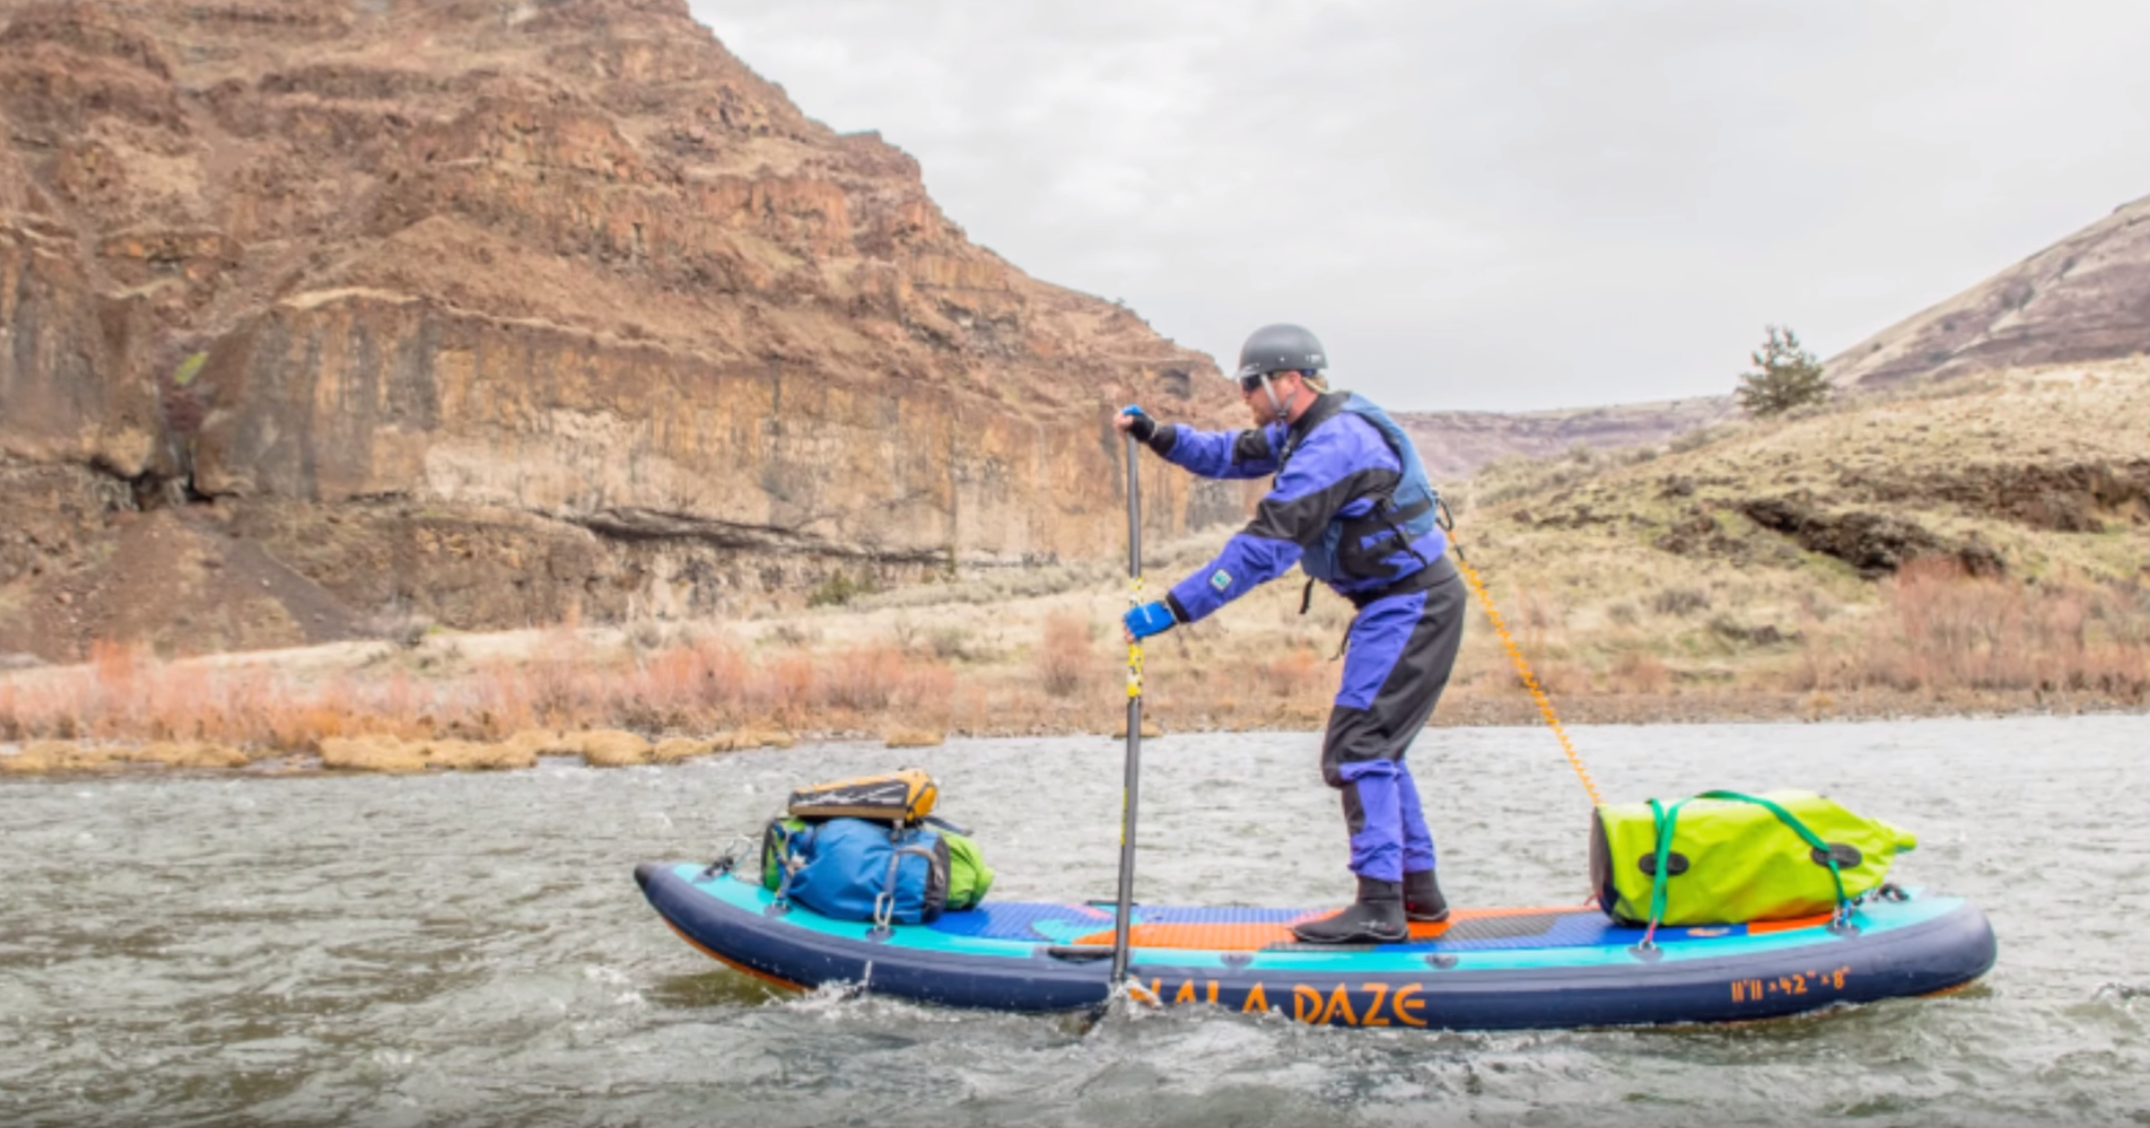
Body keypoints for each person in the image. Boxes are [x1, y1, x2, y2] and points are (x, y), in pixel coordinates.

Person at [1115, 323, 1467, 944]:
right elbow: (1225, 453)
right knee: (1376, 746)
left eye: (1251, 383)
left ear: (1290, 381)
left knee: (1359, 746)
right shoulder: (1298, 431)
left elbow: (1263, 550)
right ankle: (1420, 897)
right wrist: (1157, 436)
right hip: (1392, 605)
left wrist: (1174, 608)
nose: (1243, 393)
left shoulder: (1336, 447)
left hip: (1411, 605)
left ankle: (1380, 909)